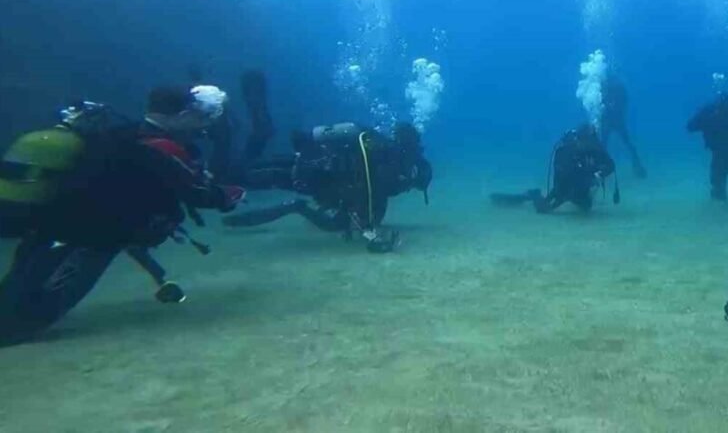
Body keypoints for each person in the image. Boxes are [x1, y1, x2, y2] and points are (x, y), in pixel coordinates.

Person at [0, 86, 245, 346]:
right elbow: (199, 193)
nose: (203, 125)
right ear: (183, 114)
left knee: (20, 282)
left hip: (50, 224)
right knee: (35, 311)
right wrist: (231, 194)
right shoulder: (162, 146)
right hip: (92, 236)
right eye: (201, 116)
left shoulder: (121, 134)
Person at [223, 121, 432, 253]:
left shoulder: (381, 148)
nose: (407, 187)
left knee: (263, 171)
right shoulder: (392, 170)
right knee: (265, 177)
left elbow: (369, 195)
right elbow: (367, 192)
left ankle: (218, 177)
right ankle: (294, 206)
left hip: (315, 161)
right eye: (413, 184)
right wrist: (366, 224)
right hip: (320, 178)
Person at [491, 124, 618, 214]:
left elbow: (611, 165)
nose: (589, 145)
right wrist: (558, 198)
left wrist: (599, 175)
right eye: (585, 141)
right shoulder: (567, 150)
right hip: (564, 187)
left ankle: (577, 197)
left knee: (586, 207)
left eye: (591, 141)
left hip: (581, 185)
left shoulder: (596, 148)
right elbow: (563, 178)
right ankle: (534, 194)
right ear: (579, 139)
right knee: (543, 209)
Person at [600, 75, 647, 178]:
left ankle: (638, 166)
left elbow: (623, 104)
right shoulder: (609, 88)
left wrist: (613, 108)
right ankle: (637, 167)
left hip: (615, 121)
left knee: (624, 143)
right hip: (614, 121)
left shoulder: (615, 89)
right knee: (624, 144)